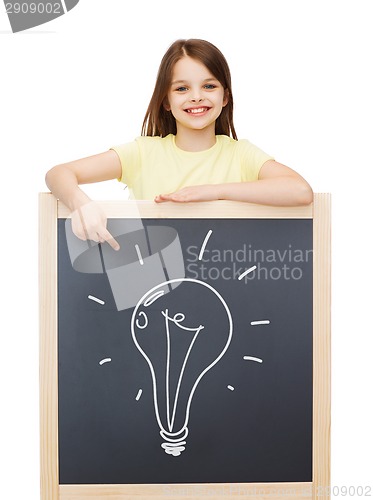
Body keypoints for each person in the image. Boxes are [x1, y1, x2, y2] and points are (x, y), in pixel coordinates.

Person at [45, 39, 313, 250]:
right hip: (153, 290)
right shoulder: (143, 153)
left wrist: (212, 192)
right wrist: (81, 204)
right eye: (182, 89)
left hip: (228, 284)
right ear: (166, 101)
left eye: (209, 86)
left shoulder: (240, 154)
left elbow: (300, 191)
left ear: (225, 97)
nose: (196, 97)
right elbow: (59, 173)